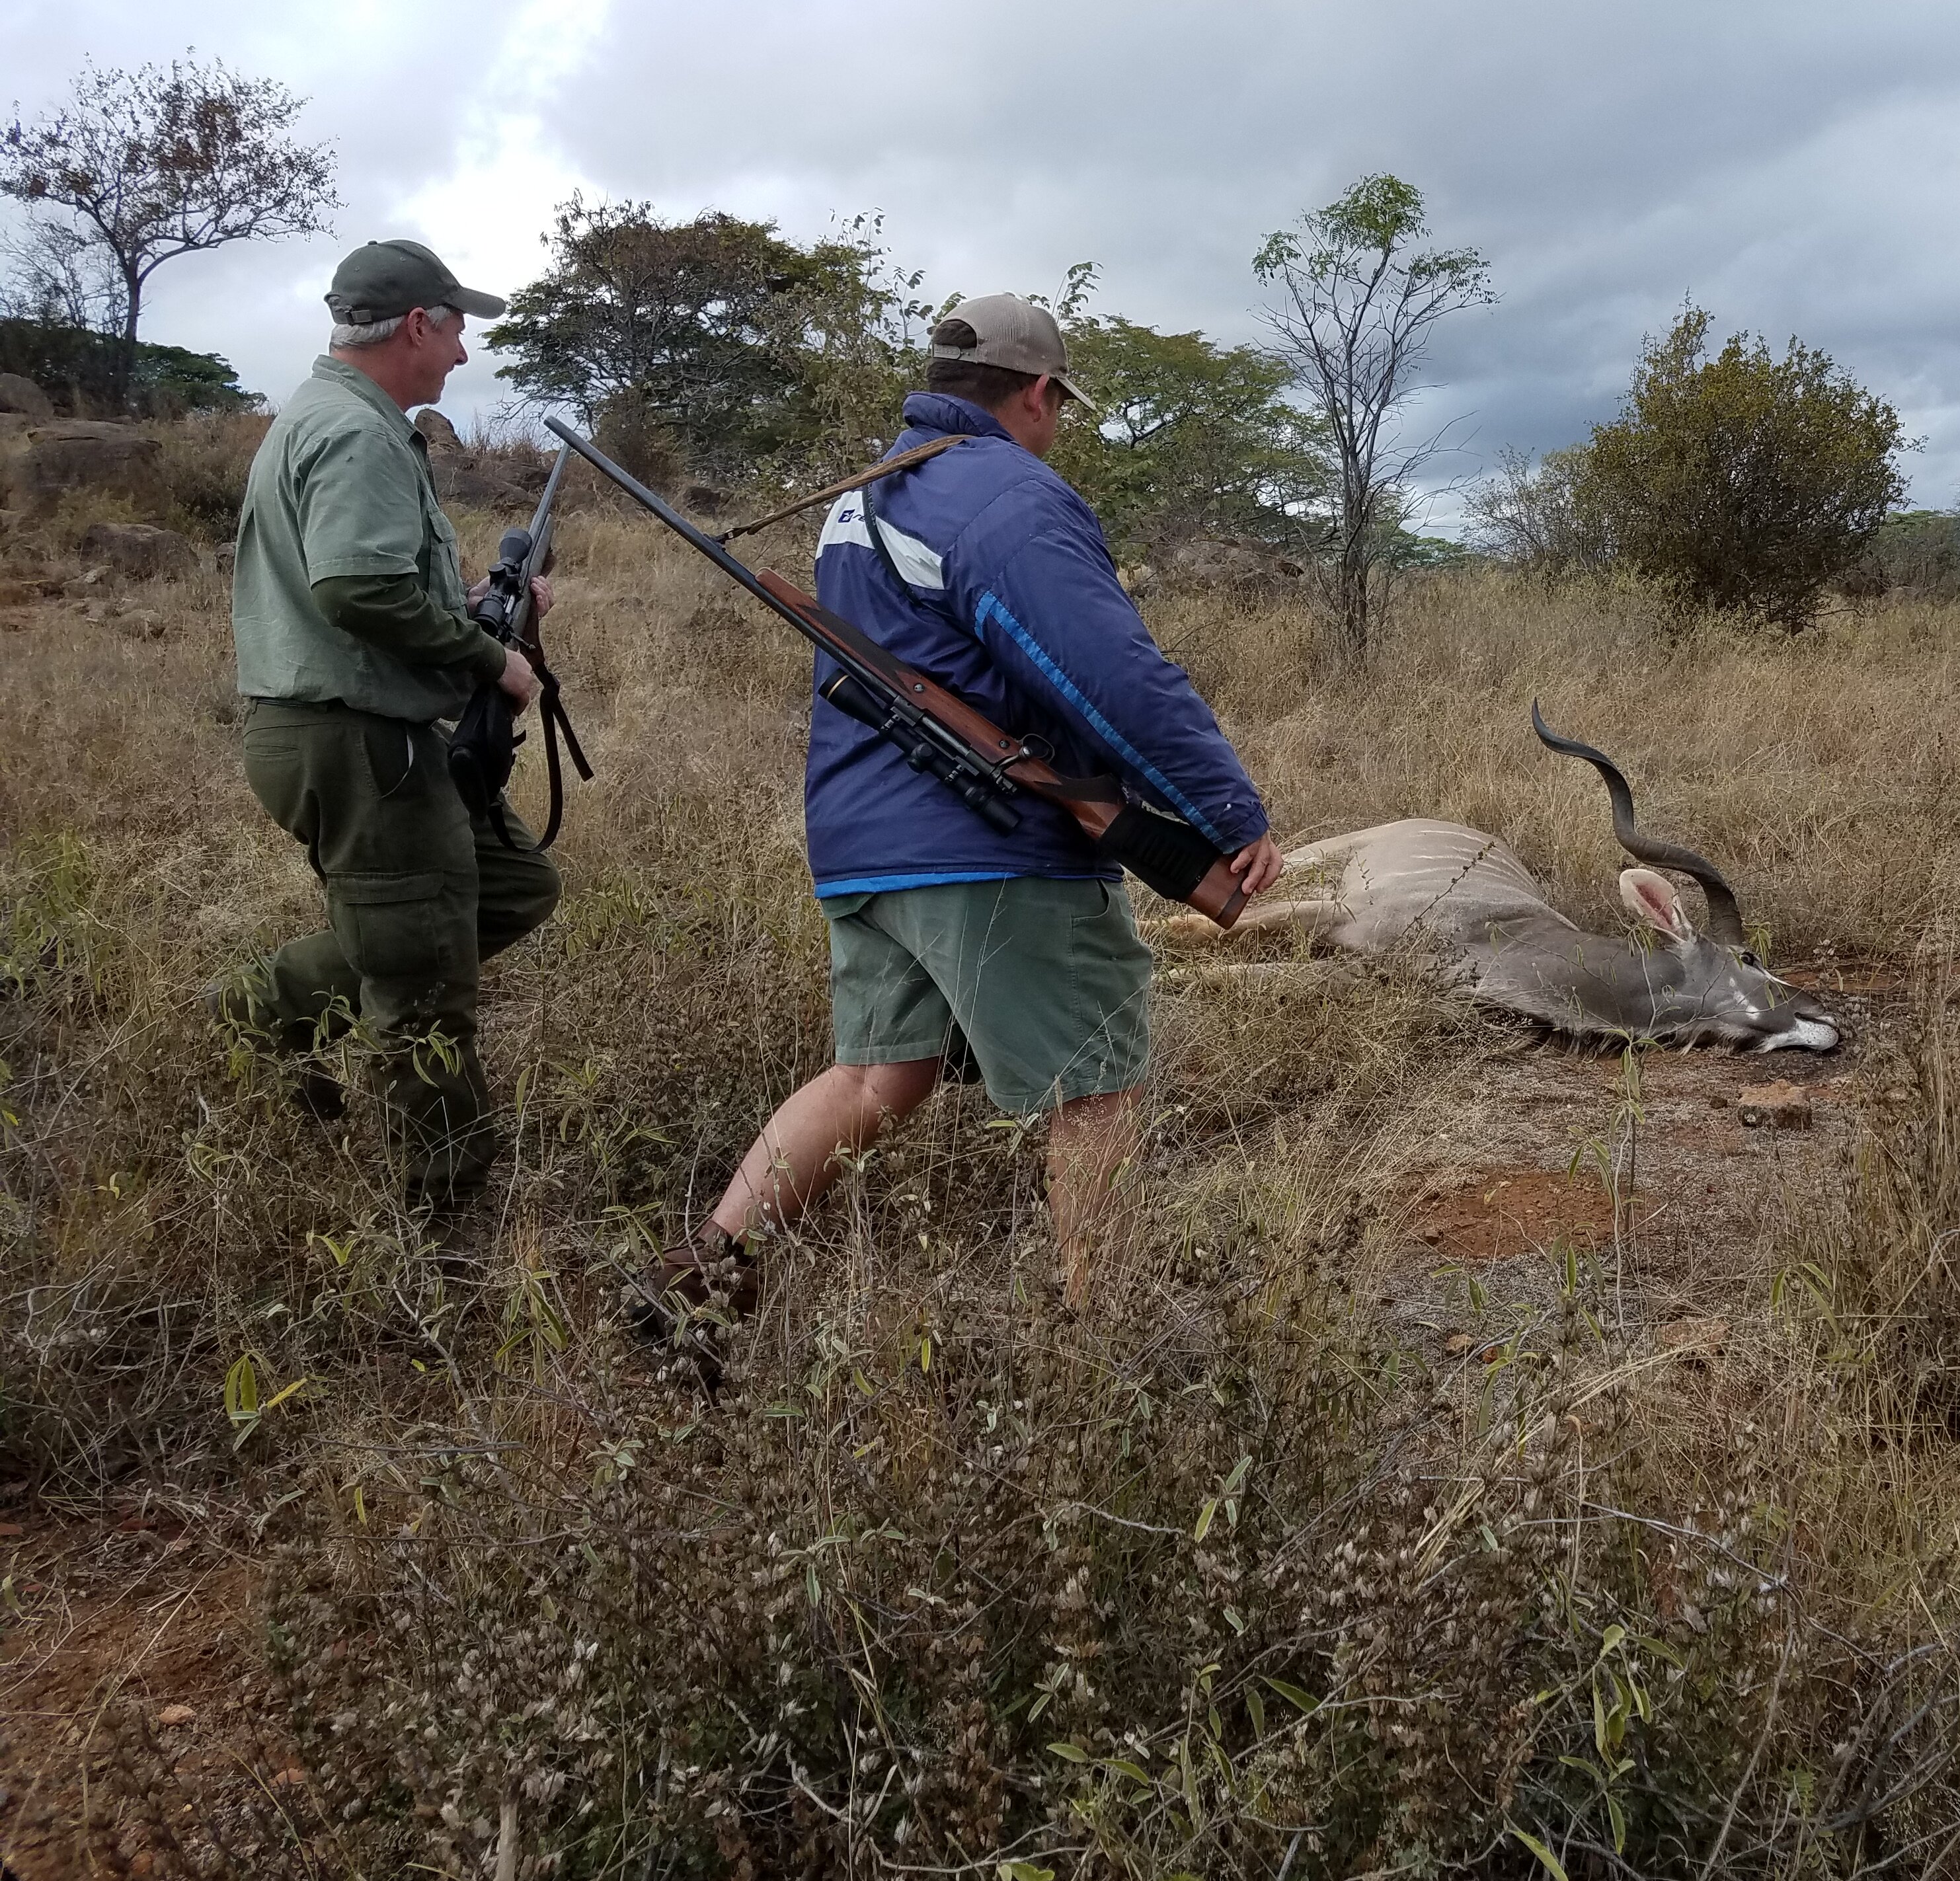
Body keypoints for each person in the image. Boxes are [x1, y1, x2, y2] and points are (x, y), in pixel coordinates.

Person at [652, 293, 1280, 1315]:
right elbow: (1109, 677)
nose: (1057, 427)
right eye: (1059, 406)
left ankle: (696, 1278)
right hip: (992, 845)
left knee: (872, 1080)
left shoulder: (863, 498)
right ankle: (1104, 1347)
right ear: (1037, 394)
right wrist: (1225, 810)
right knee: (1096, 1091)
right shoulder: (1007, 497)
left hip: (862, 848)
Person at [214, 240, 560, 1215]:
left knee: (511, 886)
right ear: (419, 324)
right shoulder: (358, 432)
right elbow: (357, 586)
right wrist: (493, 659)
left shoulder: (331, 416)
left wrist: (478, 601)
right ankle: (445, 1222)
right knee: (423, 991)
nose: (461, 357)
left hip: (341, 735)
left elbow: (375, 582)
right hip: (358, 743)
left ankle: (275, 1003)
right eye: (455, 333)